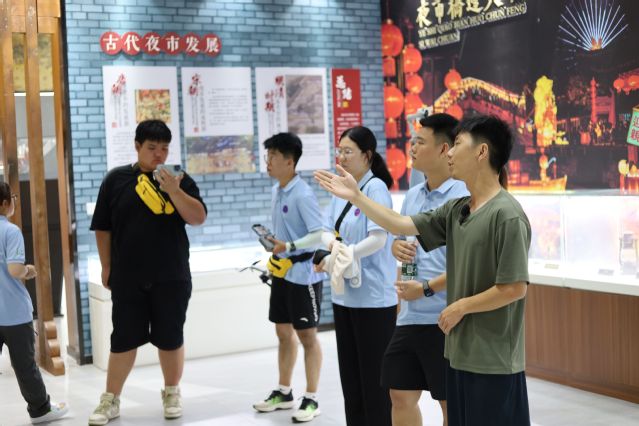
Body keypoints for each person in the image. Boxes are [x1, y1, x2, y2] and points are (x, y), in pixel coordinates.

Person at [315, 115, 531, 426]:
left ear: (482, 152)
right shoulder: (458, 209)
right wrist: (357, 196)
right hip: (458, 347)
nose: (451, 152)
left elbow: (514, 287)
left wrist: (458, 305)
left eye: (458, 144)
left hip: (493, 357)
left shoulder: (507, 215)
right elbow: (402, 225)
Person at [88, 120, 207, 425]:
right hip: (128, 277)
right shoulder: (116, 180)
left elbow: (198, 217)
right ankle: (110, 399)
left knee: (170, 338)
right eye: (152, 148)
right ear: (137, 146)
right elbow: (102, 227)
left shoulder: (179, 179)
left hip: (171, 275)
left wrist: (174, 191)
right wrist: (106, 266)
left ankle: (172, 392)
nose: (159, 154)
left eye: (164, 148)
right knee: (123, 339)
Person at [381, 114, 468, 426]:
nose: (412, 148)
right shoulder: (413, 195)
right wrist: (396, 249)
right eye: (412, 142)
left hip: (445, 318)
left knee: (449, 402)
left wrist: (427, 288)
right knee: (400, 394)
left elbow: (469, 265)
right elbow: (404, 245)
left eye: (420, 142)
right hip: (410, 315)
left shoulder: (463, 196)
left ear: (444, 149)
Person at [318, 126, 397, 426]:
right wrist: (334, 247)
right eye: (340, 150)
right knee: (351, 381)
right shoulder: (341, 188)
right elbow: (325, 229)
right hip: (344, 296)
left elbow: (378, 238)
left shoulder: (375, 189)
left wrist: (348, 253)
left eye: (348, 151)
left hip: (373, 300)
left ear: (367, 155)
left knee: (374, 383)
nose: (342, 156)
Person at [252, 133, 323, 423]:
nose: (267, 162)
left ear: (290, 162)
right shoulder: (277, 190)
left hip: (304, 276)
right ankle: (284, 392)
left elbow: (319, 234)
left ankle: (312, 398)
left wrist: (290, 246)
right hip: (282, 272)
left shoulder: (302, 194)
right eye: (267, 156)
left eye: (273, 157)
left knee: (307, 337)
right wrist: (274, 243)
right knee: (283, 333)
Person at [0, 182, 69, 424]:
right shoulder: (10, 231)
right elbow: (14, 269)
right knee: (24, 366)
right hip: (14, 314)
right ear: (5, 203)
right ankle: (40, 410)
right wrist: (29, 270)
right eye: (13, 197)